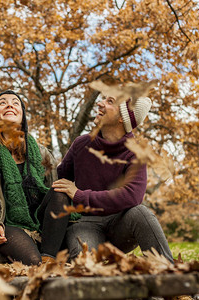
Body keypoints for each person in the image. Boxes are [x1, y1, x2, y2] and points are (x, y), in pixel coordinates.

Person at [0, 90, 70, 281]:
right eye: (3, 103)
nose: (10, 105)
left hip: (41, 224)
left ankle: (49, 258)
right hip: (4, 225)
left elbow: (54, 198)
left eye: (15, 103)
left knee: (60, 191)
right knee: (32, 261)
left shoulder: (43, 155)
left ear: (23, 116)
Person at [52, 95, 174, 262]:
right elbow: (57, 179)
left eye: (110, 102)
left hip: (120, 226)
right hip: (84, 224)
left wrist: (80, 195)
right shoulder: (81, 144)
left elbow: (132, 196)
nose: (100, 104)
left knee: (141, 212)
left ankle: (167, 268)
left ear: (121, 118)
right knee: (86, 263)